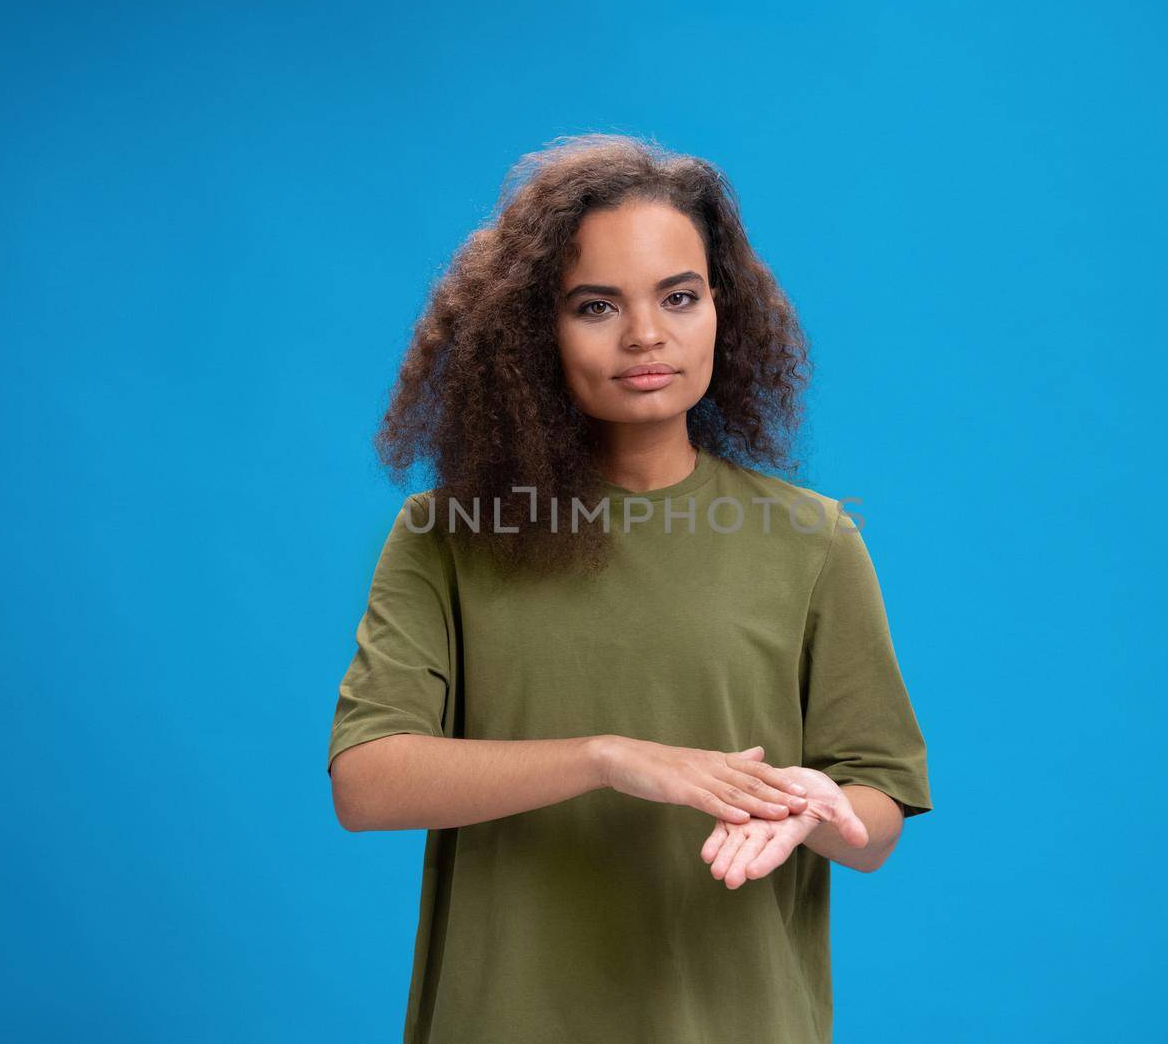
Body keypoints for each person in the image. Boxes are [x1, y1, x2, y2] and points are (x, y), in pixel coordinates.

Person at [326, 133, 932, 1043]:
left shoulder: (813, 541)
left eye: (678, 297)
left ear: (721, 311)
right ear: (536, 328)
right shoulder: (446, 537)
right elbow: (366, 782)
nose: (646, 335)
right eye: (596, 305)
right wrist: (610, 758)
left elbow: (875, 821)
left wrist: (811, 808)